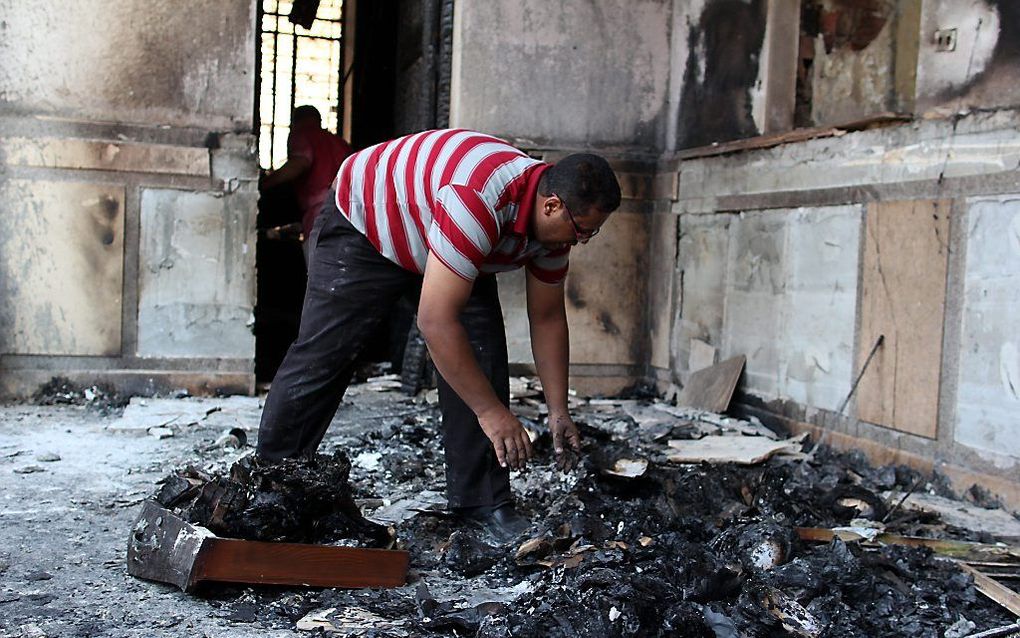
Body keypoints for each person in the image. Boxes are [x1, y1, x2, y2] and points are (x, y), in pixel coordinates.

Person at [256, 128, 621, 542]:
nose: (583, 241)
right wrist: (492, 414)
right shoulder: (479, 199)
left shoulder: (553, 230)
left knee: (481, 355)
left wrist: (558, 410)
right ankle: (272, 485)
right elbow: (434, 323)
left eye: (591, 232)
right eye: (582, 230)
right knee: (327, 353)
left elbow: (549, 318)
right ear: (552, 205)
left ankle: (483, 505)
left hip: (444, 233)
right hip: (369, 220)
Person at [259, 105, 352, 256]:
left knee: (321, 273)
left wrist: (264, 185)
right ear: (319, 120)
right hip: (351, 217)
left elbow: (299, 164)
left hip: (321, 217)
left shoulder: (302, 135)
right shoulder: (341, 144)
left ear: (295, 121)